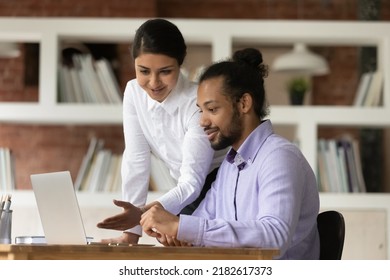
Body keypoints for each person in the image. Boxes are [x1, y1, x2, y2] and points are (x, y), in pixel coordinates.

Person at [139, 48, 320, 259]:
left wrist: (181, 226)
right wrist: (175, 234)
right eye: (201, 110)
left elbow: (274, 235)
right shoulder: (229, 165)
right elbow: (202, 222)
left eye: (213, 109)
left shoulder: (279, 157)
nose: (202, 122)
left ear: (244, 104)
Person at [97, 18, 226, 244]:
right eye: (144, 71)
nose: (153, 82)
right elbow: (136, 159)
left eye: (165, 71)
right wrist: (131, 234)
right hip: (183, 190)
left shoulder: (197, 103)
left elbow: (193, 182)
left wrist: (143, 215)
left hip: (219, 186)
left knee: (188, 246)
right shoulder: (133, 92)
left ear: (180, 63)